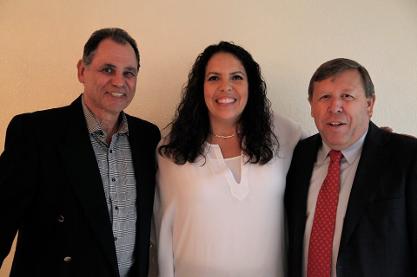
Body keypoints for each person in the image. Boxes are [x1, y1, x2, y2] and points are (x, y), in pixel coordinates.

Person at [0, 28, 160, 277]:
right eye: (108, 69)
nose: (119, 81)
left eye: (129, 73)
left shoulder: (148, 137)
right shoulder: (35, 133)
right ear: (82, 71)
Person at [153, 41, 303, 277]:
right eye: (214, 78)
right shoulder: (173, 148)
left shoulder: (284, 133)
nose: (226, 87)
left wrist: (375, 141)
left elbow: (326, 155)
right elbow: (161, 229)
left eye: (236, 77)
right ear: (199, 87)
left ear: (250, 85)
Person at [285, 58, 417, 277]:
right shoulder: (297, 156)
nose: (335, 106)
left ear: (369, 104)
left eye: (347, 96)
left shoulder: (407, 157)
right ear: (311, 107)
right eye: (324, 97)